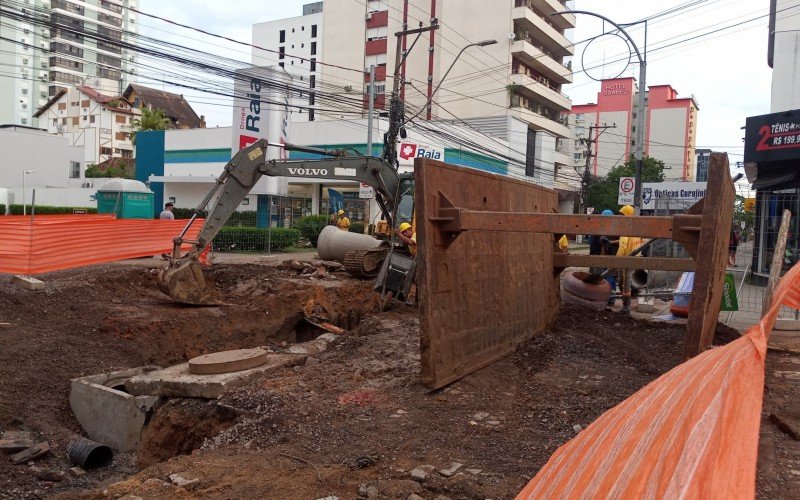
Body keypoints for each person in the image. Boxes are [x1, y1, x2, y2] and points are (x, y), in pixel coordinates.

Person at [609, 205, 641, 314]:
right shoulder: (635, 226)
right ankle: (626, 305)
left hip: (626, 259)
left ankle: (626, 308)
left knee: (624, 283)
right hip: (634, 258)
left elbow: (623, 246)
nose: (619, 216)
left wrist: (616, 261)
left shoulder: (624, 227)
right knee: (625, 283)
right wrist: (613, 242)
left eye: (621, 214)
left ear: (626, 215)